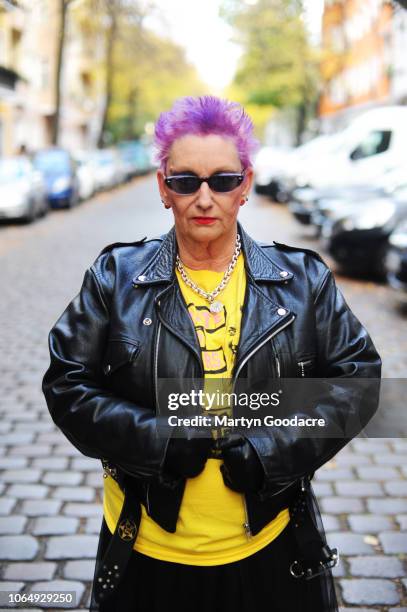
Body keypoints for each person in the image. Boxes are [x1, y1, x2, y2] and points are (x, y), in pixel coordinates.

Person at [42, 95, 382, 612]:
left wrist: (274, 451)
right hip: (145, 550)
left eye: (222, 180)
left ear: (245, 185)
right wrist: (157, 440)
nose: (205, 198)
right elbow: (67, 383)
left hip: (271, 547)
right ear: (163, 188)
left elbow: (357, 382)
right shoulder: (115, 278)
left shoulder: (303, 282)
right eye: (185, 181)